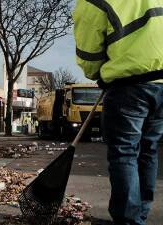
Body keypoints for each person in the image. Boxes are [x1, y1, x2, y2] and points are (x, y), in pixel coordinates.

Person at [74, 1, 163, 224]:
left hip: (130, 85)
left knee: (125, 152)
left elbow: (89, 55)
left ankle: (129, 220)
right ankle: (139, 214)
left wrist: (100, 74)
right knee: (148, 150)